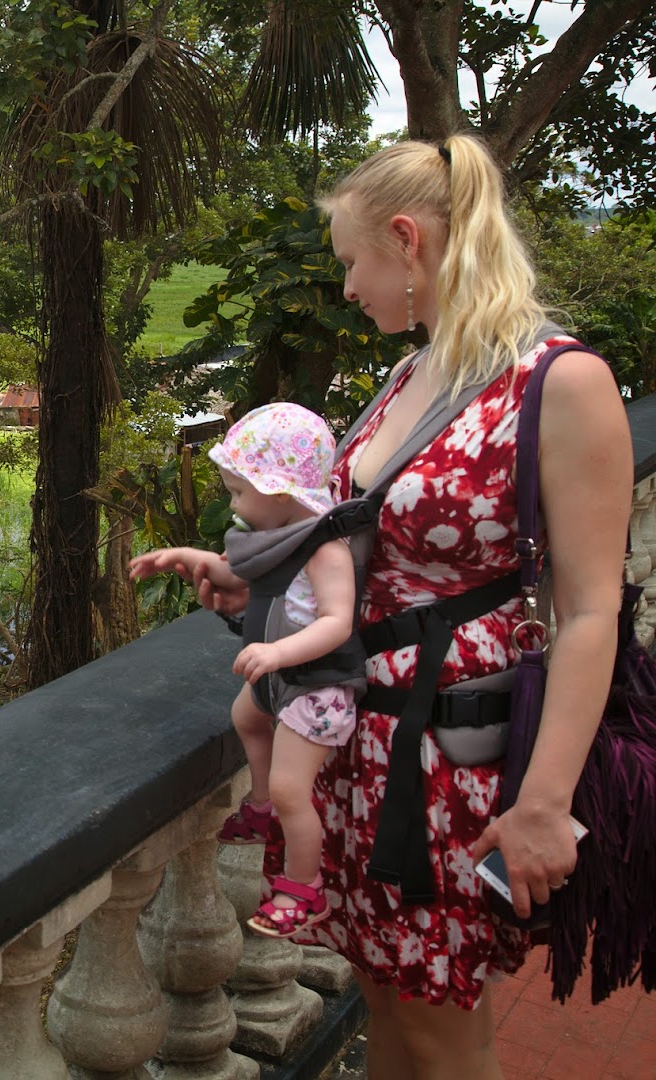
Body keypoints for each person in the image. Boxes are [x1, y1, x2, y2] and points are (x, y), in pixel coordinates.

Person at [181, 133, 631, 1078]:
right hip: (358, 749)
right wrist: (259, 593)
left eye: (352, 262)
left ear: (406, 241)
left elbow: (592, 611)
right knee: (384, 1000)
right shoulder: (406, 379)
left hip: (443, 771)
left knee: (440, 1026)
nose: (347, 288)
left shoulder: (559, 383)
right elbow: (360, 554)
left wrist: (544, 805)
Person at [130, 402, 363, 938]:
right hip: (283, 682)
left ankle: (306, 888)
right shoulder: (283, 534)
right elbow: (235, 570)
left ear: (279, 493)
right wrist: (182, 556)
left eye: (238, 492)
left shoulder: (325, 547)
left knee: (291, 789)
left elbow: (337, 622)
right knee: (248, 717)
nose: (232, 503)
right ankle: (258, 807)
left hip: (319, 687)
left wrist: (278, 654)